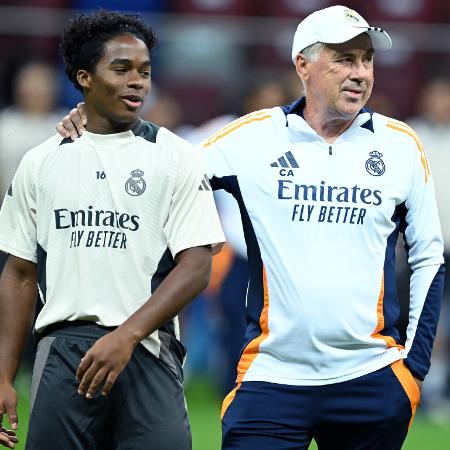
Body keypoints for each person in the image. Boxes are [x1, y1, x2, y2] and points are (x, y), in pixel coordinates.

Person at [56, 5, 445, 450]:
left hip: (372, 379)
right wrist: (99, 123)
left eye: (367, 60)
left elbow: (428, 256)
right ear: (303, 64)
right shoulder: (252, 138)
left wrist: (413, 368)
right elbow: (165, 166)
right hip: (272, 378)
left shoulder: (400, 145)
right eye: (344, 59)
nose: (360, 72)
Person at [0, 10, 224, 450]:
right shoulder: (41, 161)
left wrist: (126, 336)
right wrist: (4, 375)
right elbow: (18, 273)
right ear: (84, 77)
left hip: (148, 348)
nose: (138, 81)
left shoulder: (176, 155)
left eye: (144, 71)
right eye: (121, 69)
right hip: (62, 350)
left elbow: (196, 267)